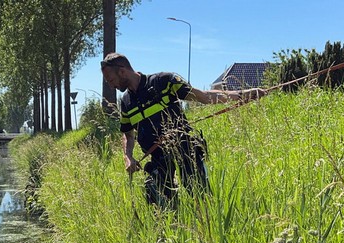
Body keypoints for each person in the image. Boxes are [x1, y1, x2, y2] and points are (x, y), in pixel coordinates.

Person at [100, 52, 266, 208]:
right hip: (157, 157)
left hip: (185, 149)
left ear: (122, 72)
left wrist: (244, 94)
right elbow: (128, 134)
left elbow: (204, 97)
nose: (110, 84)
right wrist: (128, 157)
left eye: (110, 79)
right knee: (158, 201)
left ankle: (207, 229)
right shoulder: (126, 101)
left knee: (200, 196)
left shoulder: (164, 81)